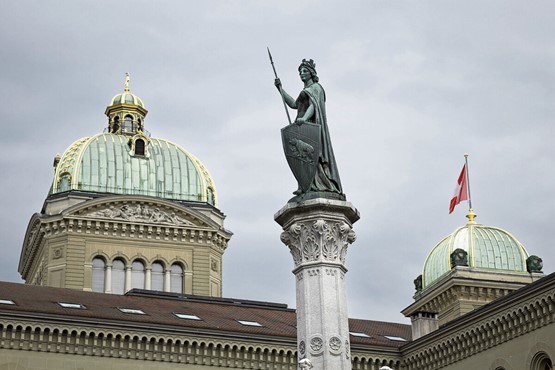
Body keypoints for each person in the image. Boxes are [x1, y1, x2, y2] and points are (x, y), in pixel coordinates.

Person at [274, 59, 343, 195]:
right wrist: (280, 89)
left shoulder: (316, 88)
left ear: (311, 73)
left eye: (304, 71)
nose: (301, 73)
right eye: (300, 72)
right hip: (302, 124)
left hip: (310, 124)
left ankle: (320, 184)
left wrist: (304, 119)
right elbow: (294, 104)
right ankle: (305, 185)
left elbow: (313, 105)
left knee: (312, 155)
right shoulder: (305, 90)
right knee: (301, 156)